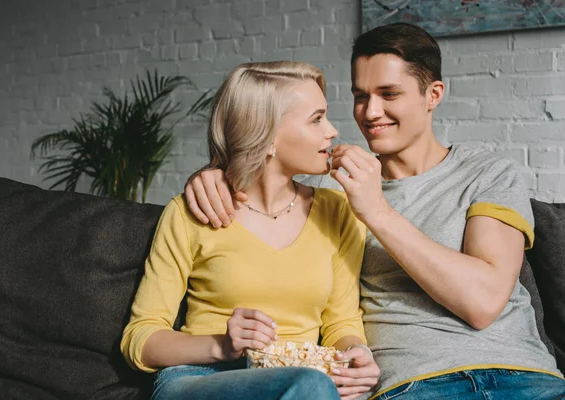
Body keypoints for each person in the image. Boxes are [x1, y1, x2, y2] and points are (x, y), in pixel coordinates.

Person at [183, 23, 565, 399]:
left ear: (433, 94)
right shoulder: (330, 190)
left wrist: (377, 212)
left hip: (527, 378)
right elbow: (264, 164)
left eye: (389, 94)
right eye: (360, 96)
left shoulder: (488, 173)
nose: (370, 112)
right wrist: (214, 174)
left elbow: (482, 303)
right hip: (413, 386)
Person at [120, 61, 381, 400]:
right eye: (316, 119)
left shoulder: (339, 211)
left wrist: (355, 354)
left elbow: (341, 323)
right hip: (197, 379)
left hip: (299, 381)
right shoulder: (191, 213)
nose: (331, 131)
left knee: (312, 385)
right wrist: (222, 346)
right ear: (268, 135)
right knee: (312, 386)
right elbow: (139, 340)